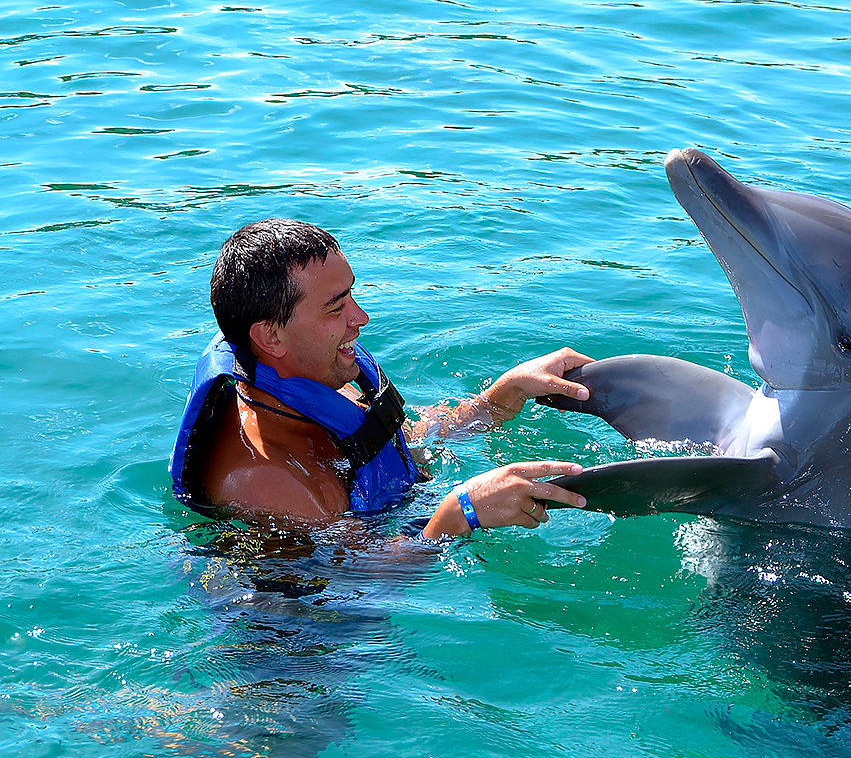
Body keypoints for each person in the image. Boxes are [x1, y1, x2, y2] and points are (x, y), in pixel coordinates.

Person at [169, 218, 590, 538]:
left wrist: (504, 394)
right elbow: (360, 584)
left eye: (351, 294)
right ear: (271, 336)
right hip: (297, 643)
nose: (361, 318)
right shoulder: (269, 481)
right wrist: (462, 513)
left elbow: (411, 441)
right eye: (336, 308)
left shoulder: (320, 384)